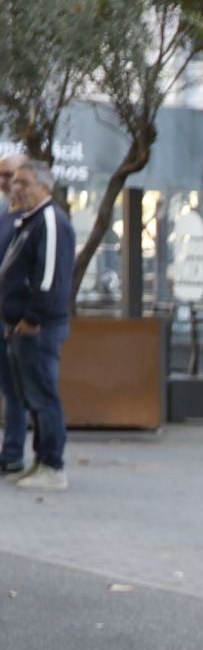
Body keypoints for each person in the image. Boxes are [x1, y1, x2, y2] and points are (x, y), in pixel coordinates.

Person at [1, 159, 74, 492]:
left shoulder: (50, 220)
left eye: (24, 182)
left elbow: (48, 280)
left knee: (43, 396)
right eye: (14, 182)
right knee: (32, 395)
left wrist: (31, 320)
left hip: (38, 328)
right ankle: (40, 460)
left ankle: (53, 465)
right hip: (20, 325)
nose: (16, 188)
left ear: (44, 186)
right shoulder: (28, 221)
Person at [0, 153, 24, 478]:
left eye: (10, 175)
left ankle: (14, 452)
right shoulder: (3, 214)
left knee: (14, 387)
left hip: (15, 319)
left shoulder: (35, 218)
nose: (5, 182)